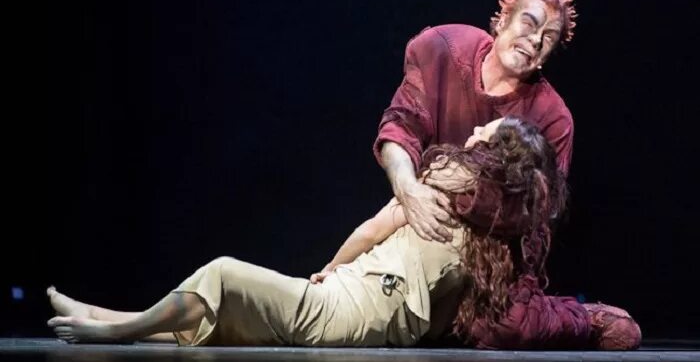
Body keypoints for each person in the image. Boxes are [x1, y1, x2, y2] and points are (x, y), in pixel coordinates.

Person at [46, 117, 640, 349]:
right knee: (231, 316)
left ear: (494, 153)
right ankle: (105, 317)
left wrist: (332, 269)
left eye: (488, 129)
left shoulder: (444, 192)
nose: (477, 127)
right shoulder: (483, 240)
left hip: (354, 306)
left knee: (224, 274)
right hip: (362, 303)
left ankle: (115, 331)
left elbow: (371, 227)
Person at [376, 0, 577, 244]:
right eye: (529, 23)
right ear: (503, 21)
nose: (536, 39)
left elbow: (541, 209)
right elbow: (401, 128)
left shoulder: (552, 118)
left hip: (485, 251)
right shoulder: (446, 48)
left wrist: (454, 193)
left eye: (549, 37)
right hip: (414, 216)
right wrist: (408, 188)